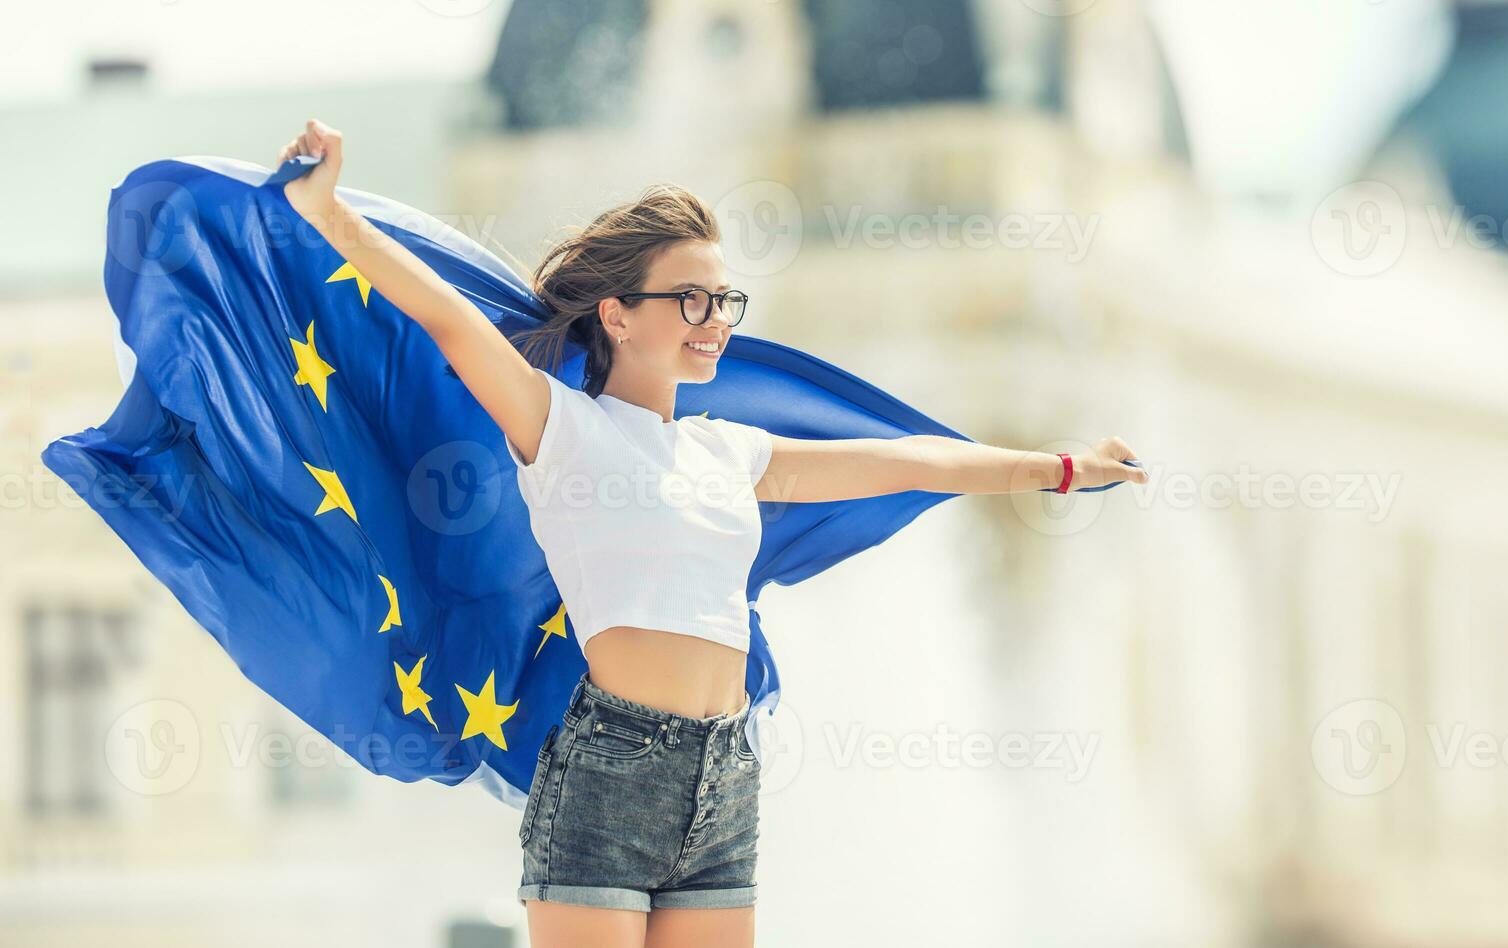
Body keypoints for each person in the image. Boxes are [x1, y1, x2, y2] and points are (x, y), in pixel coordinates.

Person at [275, 119, 1146, 947]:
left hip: (728, 773)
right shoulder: (563, 429)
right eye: (690, 299)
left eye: (723, 299)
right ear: (616, 313)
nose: (716, 320)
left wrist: (1060, 469)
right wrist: (329, 213)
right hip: (607, 774)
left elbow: (910, 460)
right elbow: (447, 319)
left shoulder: (729, 452)